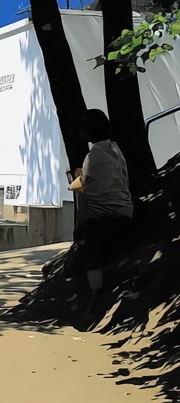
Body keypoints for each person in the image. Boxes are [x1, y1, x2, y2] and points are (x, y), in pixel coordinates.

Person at [68, 108, 133, 312]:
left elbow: (83, 186)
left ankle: (95, 294)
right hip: (125, 209)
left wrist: (73, 180)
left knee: (89, 250)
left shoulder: (94, 155)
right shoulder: (115, 149)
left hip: (106, 214)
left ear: (88, 130)